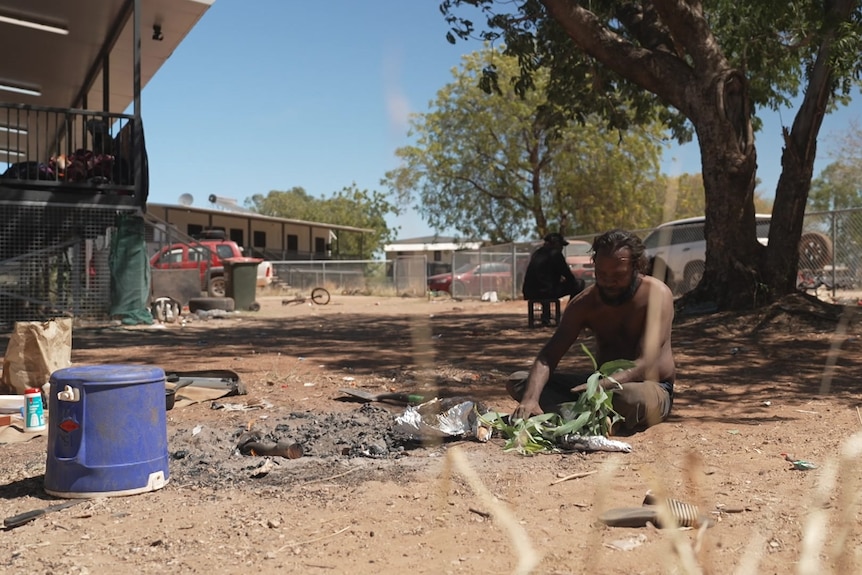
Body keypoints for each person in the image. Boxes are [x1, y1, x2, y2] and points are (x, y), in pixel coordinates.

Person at [508, 229, 675, 433]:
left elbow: (645, 363)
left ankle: (569, 413)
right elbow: (547, 357)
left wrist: (600, 387)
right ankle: (582, 414)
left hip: (649, 385)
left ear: (637, 267)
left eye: (618, 275)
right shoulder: (584, 303)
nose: (608, 282)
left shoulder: (657, 295)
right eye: (601, 274)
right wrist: (530, 399)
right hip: (597, 385)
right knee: (520, 381)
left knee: (628, 397)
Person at [522, 232, 585, 325]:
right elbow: (569, 276)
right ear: (555, 243)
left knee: (545, 286)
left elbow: (542, 276)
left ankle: (545, 317)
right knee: (579, 284)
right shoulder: (555, 254)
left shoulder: (537, 253)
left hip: (530, 291)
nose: (562, 248)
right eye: (561, 245)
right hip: (546, 291)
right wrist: (567, 280)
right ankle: (570, 315)